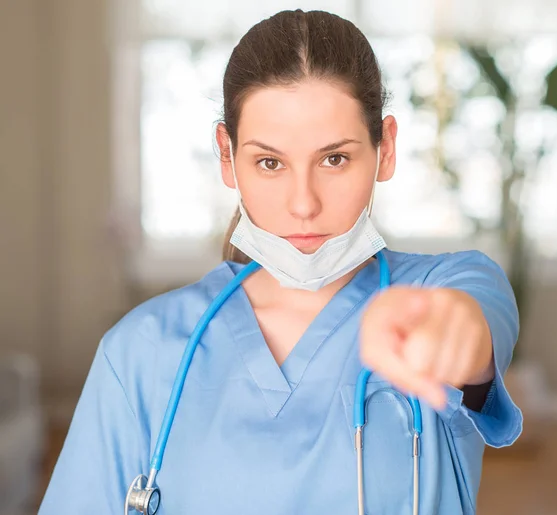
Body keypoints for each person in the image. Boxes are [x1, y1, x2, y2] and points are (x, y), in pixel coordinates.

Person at [39, 9, 522, 515]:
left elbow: (465, 329)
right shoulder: (140, 352)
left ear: (386, 149)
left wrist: (438, 331)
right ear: (227, 155)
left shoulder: (450, 284)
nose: (303, 204)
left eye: (334, 159)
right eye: (269, 163)